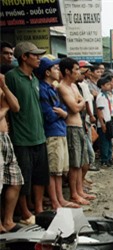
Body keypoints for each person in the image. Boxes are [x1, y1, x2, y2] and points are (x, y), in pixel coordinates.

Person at [5, 42, 49, 225]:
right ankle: (24, 212)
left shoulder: (35, 79)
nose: (39, 59)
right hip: (22, 137)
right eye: (35, 55)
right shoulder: (12, 77)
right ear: (24, 57)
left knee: (40, 176)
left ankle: (38, 209)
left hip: (39, 135)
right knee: (24, 178)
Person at [36, 57, 78, 210]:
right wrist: (61, 113)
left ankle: (61, 199)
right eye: (55, 69)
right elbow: (49, 115)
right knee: (53, 171)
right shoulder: (42, 90)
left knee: (59, 171)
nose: (58, 71)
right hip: (52, 132)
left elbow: (64, 110)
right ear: (47, 72)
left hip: (60, 131)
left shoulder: (52, 89)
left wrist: (62, 113)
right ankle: (55, 202)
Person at [57, 57, 95, 206]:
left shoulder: (73, 86)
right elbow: (75, 107)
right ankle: (74, 193)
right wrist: (79, 103)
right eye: (76, 69)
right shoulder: (62, 87)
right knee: (74, 163)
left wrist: (78, 103)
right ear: (67, 71)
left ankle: (79, 191)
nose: (79, 72)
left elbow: (82, 103)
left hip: (79, 125)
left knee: (81, 161)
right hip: (71, 126)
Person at [0, 72, 23, 232]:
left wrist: (4, 86)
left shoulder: (2, 88)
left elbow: (15, 106)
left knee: (15, 180)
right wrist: (4, 109)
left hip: (5, 137)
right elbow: (9, 108)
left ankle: (8, 220)